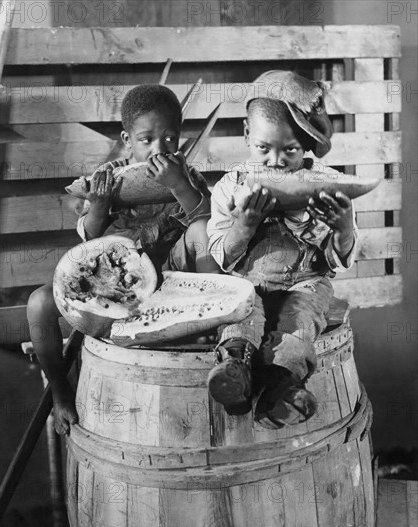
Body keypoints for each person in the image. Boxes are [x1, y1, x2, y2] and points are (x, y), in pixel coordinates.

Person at [27, 84, 218, 435]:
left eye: (170, 139)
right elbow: (88, 240)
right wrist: (99, 206)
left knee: (203, 229)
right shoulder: (106, 178)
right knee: (39, 303)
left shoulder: (185, 174)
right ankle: (59, 388)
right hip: (115, 283)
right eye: (146, 140)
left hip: (173, 278)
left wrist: (179, 186)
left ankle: (222, 327)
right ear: (127, 140)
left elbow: (207, 219)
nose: (159, 150)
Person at [206, 71, 358, 429]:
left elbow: (339, 260)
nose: (275, 161)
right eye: (263, 149)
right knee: (242, 311)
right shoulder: (230, 187)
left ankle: (280, 384)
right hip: (250, 282)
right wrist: (244, 224)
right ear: (246, 135)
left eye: (289, 150)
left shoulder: (328, 186)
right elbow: (223, 258)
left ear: (305, 144)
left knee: (301, 318)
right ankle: (235, 371)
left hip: (305, 282)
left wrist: (343, 226)